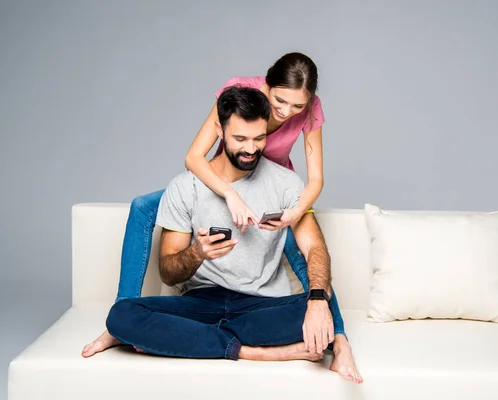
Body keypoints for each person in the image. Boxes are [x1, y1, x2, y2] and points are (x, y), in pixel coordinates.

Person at [82, 52, 361, 382]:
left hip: (274, 202)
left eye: (296, 107)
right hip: (217, 194)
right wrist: (224, 206)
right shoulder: (240, 94)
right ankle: (251, 350)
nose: (285, 113)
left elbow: (316, 192)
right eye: (280, 102)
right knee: (125, 305)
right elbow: (193, 157)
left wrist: (295, 211)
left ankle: (339, 340)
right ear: (266, 88)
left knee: (313, 279)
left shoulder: (290, 168)